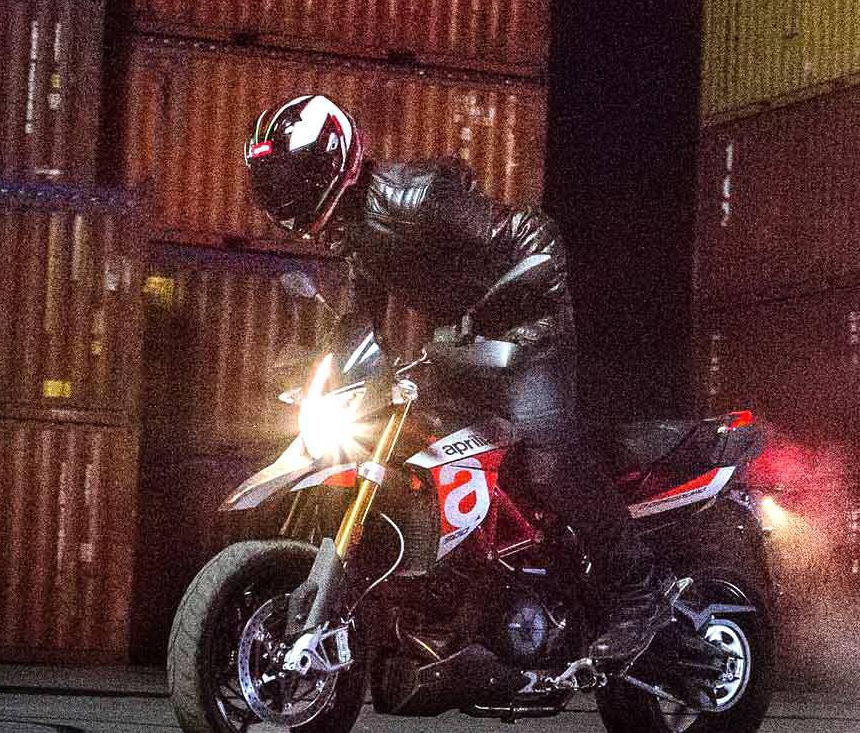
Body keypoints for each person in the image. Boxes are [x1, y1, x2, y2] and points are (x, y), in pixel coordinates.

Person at [244, 93, 682, 670]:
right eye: (271, 183)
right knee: (418, 451)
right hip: (462, 346)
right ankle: (471, 595)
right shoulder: (352, 234)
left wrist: (492, 308)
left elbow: (536, 236)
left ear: (330, 160)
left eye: (289, 178)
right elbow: (357, 322)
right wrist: (321, 370)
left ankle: (638, 592)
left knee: (550, 461)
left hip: (529, 330)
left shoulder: (418, 198)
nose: (281, 195)